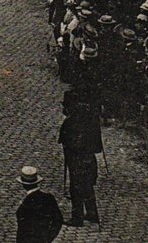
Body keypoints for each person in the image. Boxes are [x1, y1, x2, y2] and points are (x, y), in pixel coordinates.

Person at [59, 89, 103, 226]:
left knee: (76, 187)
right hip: (89, 159)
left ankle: (77, 217)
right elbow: (98, 146)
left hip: (76, 159)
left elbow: (66, 142)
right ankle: (92, 212)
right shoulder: (91, 121)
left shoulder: (70, 122)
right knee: (87, 185)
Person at [15, 166, 64, 242]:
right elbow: (58, 220)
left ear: (23, 184)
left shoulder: (25, 205)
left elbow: (22, 232)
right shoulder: (49, 198)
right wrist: (49, 238)